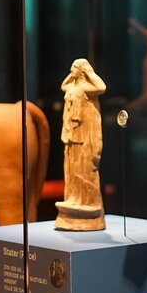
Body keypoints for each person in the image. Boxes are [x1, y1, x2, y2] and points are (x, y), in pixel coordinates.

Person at [55, 58, 107, 230]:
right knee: (72, 168)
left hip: (83, 134)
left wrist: (89, 72)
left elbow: (101, 87)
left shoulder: (86, 88)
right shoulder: (72, 87)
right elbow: (63, 85)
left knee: (84, 167)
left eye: (74, 68)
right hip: (71, 132)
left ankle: (87, 201)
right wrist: (73, 75)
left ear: (82, 70)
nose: (71, 70)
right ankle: (74, 198)